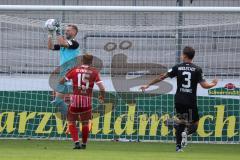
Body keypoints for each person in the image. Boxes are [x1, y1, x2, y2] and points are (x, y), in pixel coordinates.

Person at [140, 46, 218, 152]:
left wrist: (148, 85)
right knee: (195, 124)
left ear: (185, 56)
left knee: (181, 122)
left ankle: (178, 147)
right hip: (190, 100)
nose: (181, 56)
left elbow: (162, 76)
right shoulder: (197, 69)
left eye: (182, 54)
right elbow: (205, 86)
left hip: (179, 100)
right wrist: (213, 84)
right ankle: (186, 133)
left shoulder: (177, 67)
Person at [60, 53, 105, 149]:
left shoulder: (74, 70)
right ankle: (84, 144)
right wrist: (102, 96)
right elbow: (102, 88)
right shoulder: (94, 72)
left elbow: (62, 81)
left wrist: (68, 78)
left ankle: (76, 142)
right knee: (85, 123)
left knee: (71, 122)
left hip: (75, 100)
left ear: (81, 61)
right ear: (91, 61)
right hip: (87, 101)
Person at [48, 22, 80, 118]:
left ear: (74, 32)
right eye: (65, 30)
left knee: (74, 101)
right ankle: (71, 119)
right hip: (63, 74)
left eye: (68, 30)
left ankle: (83, 119)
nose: (66, 32)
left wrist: (57, 31)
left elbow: (62, 43)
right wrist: (50, 34)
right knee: (58, 101)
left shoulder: (75, 43)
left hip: (71, 73)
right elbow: (50, 47)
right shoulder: (64, 44)